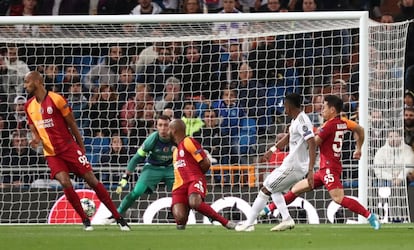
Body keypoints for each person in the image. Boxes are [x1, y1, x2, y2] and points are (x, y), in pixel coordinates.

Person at [23, 71, 130, 231]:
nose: (25, 86)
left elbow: (72, 125)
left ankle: (118, 217)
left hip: (69, 148)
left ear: (37, 81)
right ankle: (85, 220)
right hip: (51, 153)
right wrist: (35, 140)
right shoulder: (29, 106)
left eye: (27, 82)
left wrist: (81, 147)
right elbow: (34, 129)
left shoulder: (56, 99)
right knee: (65, 183)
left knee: (92, 180)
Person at [260, 95, 381, 230]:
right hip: (325, 169)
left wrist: (304, 134)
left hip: (329, 169)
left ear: (332, 110)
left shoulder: (327, 126)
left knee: (338, 198)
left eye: (324, 107)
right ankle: (267, 209)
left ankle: (370, 216)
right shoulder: (344, 122)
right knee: (296, 189)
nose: (321, 110)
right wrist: (358, 148)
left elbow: (312, 143)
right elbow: (360, 129)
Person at [235, 93, 316, 232]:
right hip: (290, 164)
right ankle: (286, 219)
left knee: (266, 189)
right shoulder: (295, 120)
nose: (284, 109)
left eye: (284, 105)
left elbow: (312, 143)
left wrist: (310, 170)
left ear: (290, 106)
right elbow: (289, 136)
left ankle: (249, 223)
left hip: (294, 166)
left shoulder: (303, 121)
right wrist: (272, 149)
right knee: (273, 189)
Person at [105, 115, 175, 223]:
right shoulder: (151, 140)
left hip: (171, 168)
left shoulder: (176, 138)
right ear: (156, 126)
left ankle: (174, 213)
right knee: (137, 191)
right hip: (152, 168)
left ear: (170, 126)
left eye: (165, 125)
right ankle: (116, 214)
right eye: (160, 125)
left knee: (180, 191)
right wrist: (125, 176)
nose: (163, 128)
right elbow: (136, 158)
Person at [168, 119, 236, 230]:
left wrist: (198, 177)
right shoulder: (175, 151)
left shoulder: (188, 141)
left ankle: (225, 222)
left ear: (174, 130)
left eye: (169, 129)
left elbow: (206, 163)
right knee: (180, 219)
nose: (167, 132)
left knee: (195, 202)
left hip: (194, 179)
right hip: (179, 185)